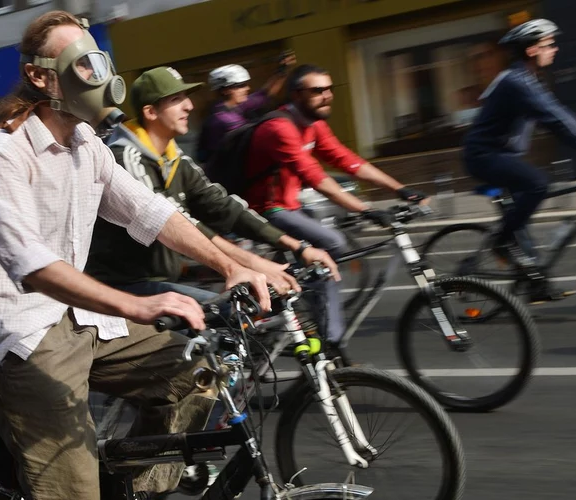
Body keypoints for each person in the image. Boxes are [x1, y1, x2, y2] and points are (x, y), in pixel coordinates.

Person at [0, 11, 269, 500]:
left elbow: (152, 213)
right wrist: (139, 301)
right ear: (43, 77)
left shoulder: (89, 147)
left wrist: (236, 263)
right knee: (71, 491)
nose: (98, 73)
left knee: (195, 367)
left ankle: (129, 499)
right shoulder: (3, 152)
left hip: (80, 321)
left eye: (97, 58)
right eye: (82, 62)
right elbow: (29, 265)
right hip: (15, 333)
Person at [86, 65, 339, 305]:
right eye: (177, 100)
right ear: (151, 112)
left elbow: (223, 207)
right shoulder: (125, 159)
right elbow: (176, 222)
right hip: (123, 287)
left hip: (160, 280)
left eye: (187, 97)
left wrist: (297, 246)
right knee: (223, 316)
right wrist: (248, 264)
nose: (189, 106)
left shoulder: (175, 159)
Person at [243, 63, 428, 347]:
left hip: (289, 205)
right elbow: (317, 178)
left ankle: (293, 294)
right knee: (332, 243)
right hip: (264, 209)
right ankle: (331, 338)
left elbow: (347, 161)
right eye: (317, 90)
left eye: (329, 89)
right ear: (296, 94)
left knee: (317, 248)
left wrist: (401, 189)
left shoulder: (313, 125)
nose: (327, 95)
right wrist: (366, 210)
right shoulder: (279, 127)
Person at [463, 18, 576, 303]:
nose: (555, 49)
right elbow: (551, 119)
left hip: (502, 155)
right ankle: (500, 242)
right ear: (531, 50)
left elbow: (559, 112)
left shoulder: (528, 79)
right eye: (549, 45)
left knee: (521, 225)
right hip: (484, 156)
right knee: (538, 184)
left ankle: (534, 282)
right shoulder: (515, 82)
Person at [196, 51, 296, 162]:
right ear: (226, 90)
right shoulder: (220, 120)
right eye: (241, 86)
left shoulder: (236, 107)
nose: (247, 88)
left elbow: (265, 94)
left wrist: (282, 70)